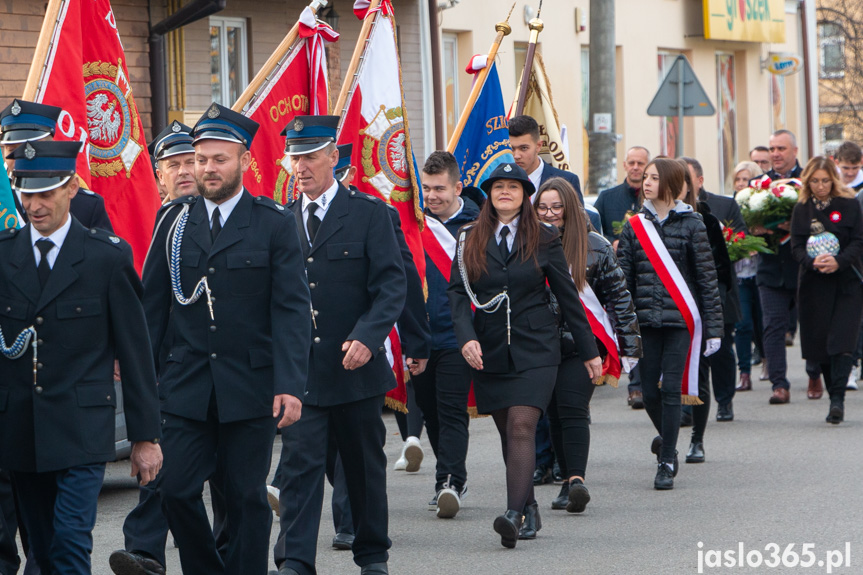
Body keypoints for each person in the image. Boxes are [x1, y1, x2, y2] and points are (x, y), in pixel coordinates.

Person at [141, 104, 312, 575]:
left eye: (219, 158)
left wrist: (291, 384)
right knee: (174, 491)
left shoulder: (273, 223)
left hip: (250, 387)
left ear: (243, 160)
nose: (207, 168)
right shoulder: (174, 223)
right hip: (185, 386)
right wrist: (146, 383)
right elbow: (153, 308)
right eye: (200, 159)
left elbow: (292, 310)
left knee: (246, 499)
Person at [0, 140, 163, 575]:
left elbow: (135, 350)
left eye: (45, 193)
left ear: (71, 188)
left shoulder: (106, 257)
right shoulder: (4, 254)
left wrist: (145, 437)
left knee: (71, 540)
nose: (34, 205)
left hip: (81, 429)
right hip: (21, 429)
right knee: (41, 547)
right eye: (27, 193)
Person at [273, 116, 405, 575]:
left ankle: (372, 556)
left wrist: (369, 336)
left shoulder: (369, 213)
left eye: (310, 156)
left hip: (355, 369)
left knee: (364, 469)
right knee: (298, 468)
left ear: (334, 157)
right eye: (295, 157)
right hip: (302, 372)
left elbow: (391, 284)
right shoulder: (280, 219)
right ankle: (295, 560)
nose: (301, 166)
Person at [447, 162, 601, 548]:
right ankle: (529, 508)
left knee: (521, 426)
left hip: (537, 349)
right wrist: (465, 337)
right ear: (489, 195)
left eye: (513, 187)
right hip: (489, 350)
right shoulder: (469, 237)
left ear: (525, 195)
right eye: (498, 187)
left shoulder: (545, 237)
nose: (505, 193)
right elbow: (455, 293)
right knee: (508, 433)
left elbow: (569, 298)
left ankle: (512, 514)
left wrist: (589, 352)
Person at [110, 120, 201, 575]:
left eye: (191, 161)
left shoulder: (216, 216)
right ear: (157, 173)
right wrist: (133, 356)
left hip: (212, 365)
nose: (185, 171)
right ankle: (145, 551)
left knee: (224, 484)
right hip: (165, 365)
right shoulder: (147, 216)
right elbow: (144, 302)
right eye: (174, 164)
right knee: (160, 459)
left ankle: (219, 554)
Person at [533, 177, 641, 516]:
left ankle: (576, 479)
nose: (550, 214)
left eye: (557, 207)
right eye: (543, 207)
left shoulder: (596, 245)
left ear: (570, 207)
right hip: (540, 343)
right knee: (553, 413)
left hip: (584, 343)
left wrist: (630, 347)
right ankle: (566, 480)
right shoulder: (526, 244)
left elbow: (619, 299)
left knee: (572, 407)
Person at [616, 158, 723, 490]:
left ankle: (666, 461)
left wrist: (715, 327)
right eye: (644, 177)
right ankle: (669, 440)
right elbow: (623, 282)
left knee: (672, 388)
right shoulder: (634, 226)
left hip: (680, 322)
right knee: (648, 394)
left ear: (672, 184)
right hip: (646, 322)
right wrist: (623, 327)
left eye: (653, 177)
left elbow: (707, 278)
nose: (646, 183)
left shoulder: (693, 223)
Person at [413, 151, 479, 519]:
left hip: (458, 335)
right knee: (430, 411)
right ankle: (450, 474)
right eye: (426, 188)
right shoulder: (413, 225)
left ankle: (449, 480)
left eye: (439, 188)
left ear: (457, 187)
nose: (432, 195)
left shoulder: (477, 226)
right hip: (420, 336)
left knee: (452, 410)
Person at [790, 156, 863, 424]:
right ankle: (833, 390)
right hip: (814, 284)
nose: (820, 186)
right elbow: (796, 245)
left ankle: (837, 400)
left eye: (825, 180)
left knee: (842, 342)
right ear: (808, 182)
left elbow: (858, 241)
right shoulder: (802, 209)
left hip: (846, 283)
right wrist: (812, 262)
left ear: (834, 179)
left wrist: (839, 261)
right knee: (819, 345)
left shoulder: (849, 205)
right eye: (815, 181)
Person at [676, 160, 735, 466]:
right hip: (659, 311)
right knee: (657, 383)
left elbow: (722, 271)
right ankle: (666, 434)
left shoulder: (706, 220)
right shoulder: (643, 221)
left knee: (698, 378)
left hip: (697, 311)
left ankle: (696, 439)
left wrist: (712, 312)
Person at [1, 99, 114, 232]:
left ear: (50, 145)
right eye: (11, 149)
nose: (20, 157)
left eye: (28, 149)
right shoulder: (2, 197)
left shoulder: (87, 205)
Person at [594, 146, 650, 410]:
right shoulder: (607, 198)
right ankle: (635, 387)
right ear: (625, 165)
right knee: (626, 325)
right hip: (614, 273)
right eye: (632, 162)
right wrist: (611, 244)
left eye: (641, 163)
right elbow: (593, 233)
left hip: (647, 272)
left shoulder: (651, 197)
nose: (636, 167)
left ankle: (647, 383)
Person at [752, 130, 804, 404]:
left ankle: (815, 371)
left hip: (803, 266)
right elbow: (743, 225)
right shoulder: (756, 186)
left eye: (781, 148)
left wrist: (796, 227)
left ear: (794, 150)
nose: (775, 154)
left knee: (810, 323)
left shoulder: (809, 181)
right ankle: (779, 384)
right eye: (772, 148)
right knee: (772, 326)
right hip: (770, 268)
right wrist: (755, 228)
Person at [507, 115, 602, 232]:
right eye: (512, 148)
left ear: (538, 146)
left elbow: (577, 226)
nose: (516, 155)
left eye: (524, 148)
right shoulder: (501, 182)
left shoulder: (567, 180)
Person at [730, 161, 765, 393]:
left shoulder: (763, 205)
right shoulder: (729, 207)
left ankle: (767, 361)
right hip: (740, 274)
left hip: (762, 273)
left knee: (763, 324)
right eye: (738, 180)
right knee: (742, 326)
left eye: (747, 180)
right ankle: (744, 373)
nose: (742, 184)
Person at [148, 120, 198, 204]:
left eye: (190, 162)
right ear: (160, 176)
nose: (183, 171)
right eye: (173, 165)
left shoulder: (221, 214)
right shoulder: (162, 217)